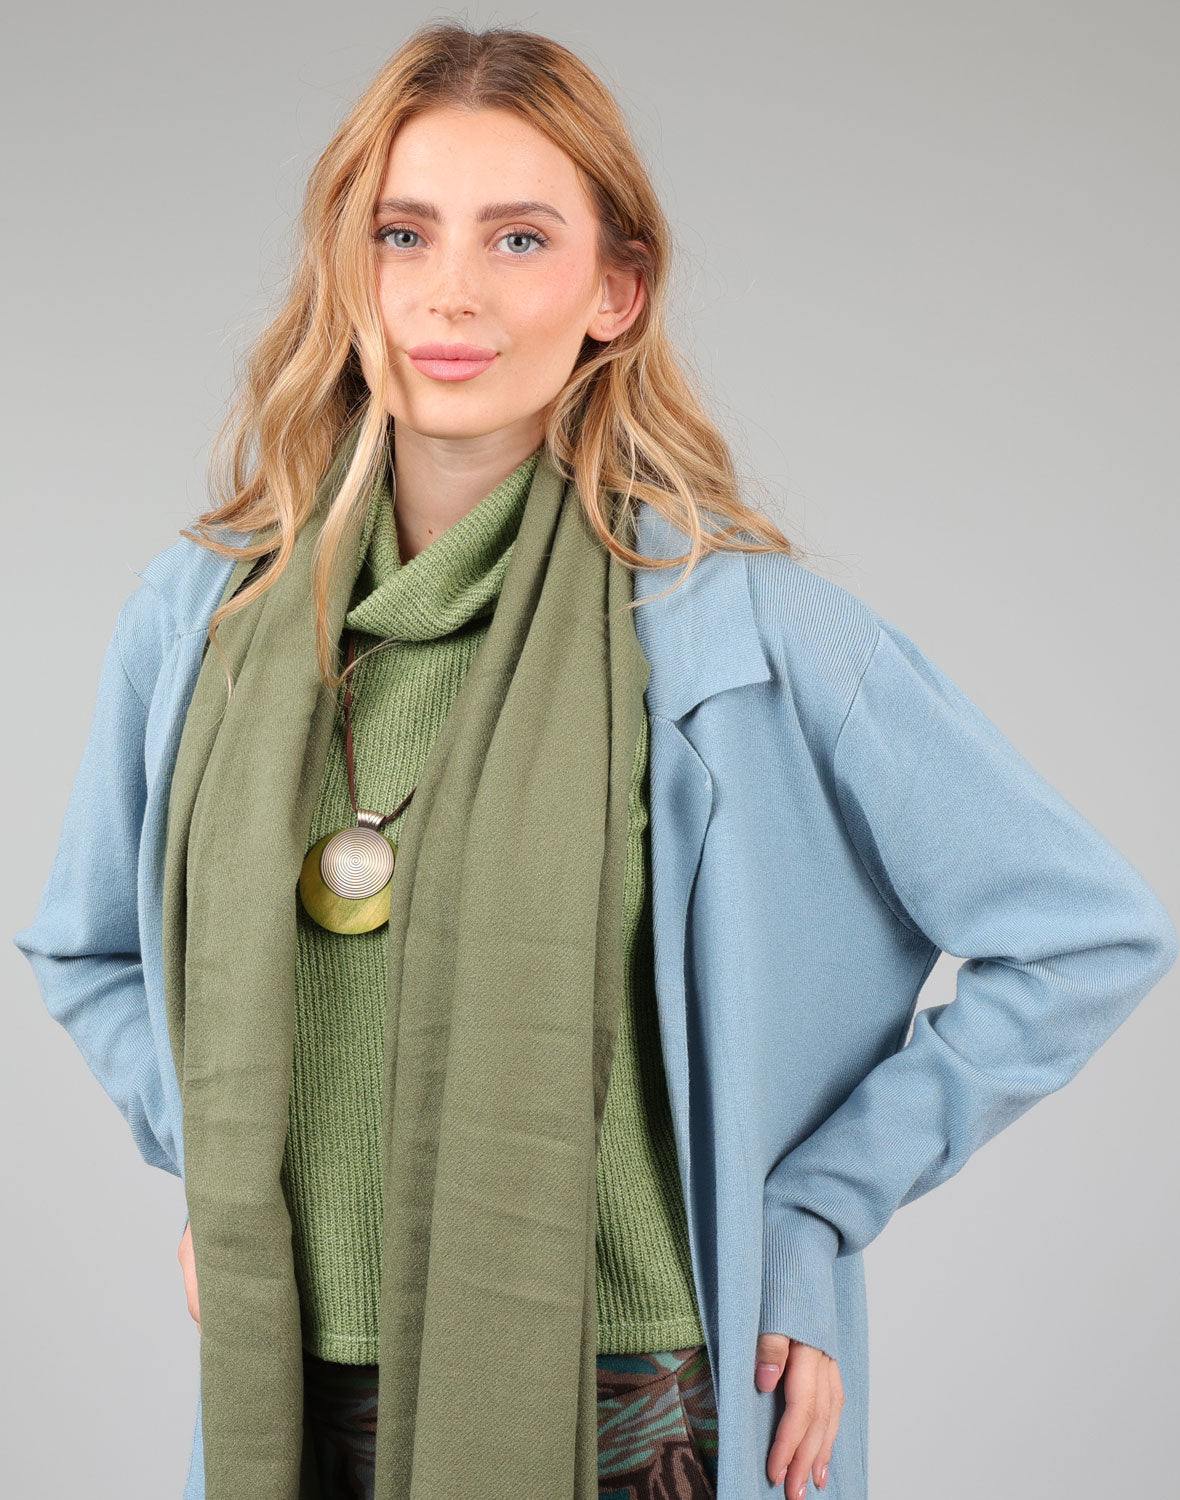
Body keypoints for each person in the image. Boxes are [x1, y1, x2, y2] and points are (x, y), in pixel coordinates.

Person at [12, 21, 1176, 1500]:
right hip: (288, 1369)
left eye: (518, 239)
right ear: (346, 270)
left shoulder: (734, 631)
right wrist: (221, 1164)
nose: (451, 292)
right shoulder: (206, 622)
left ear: (615, 291)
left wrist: (810, 1218)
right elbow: (87, 948)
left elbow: (1084, 933)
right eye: (403, 234)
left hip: (624, 1396)